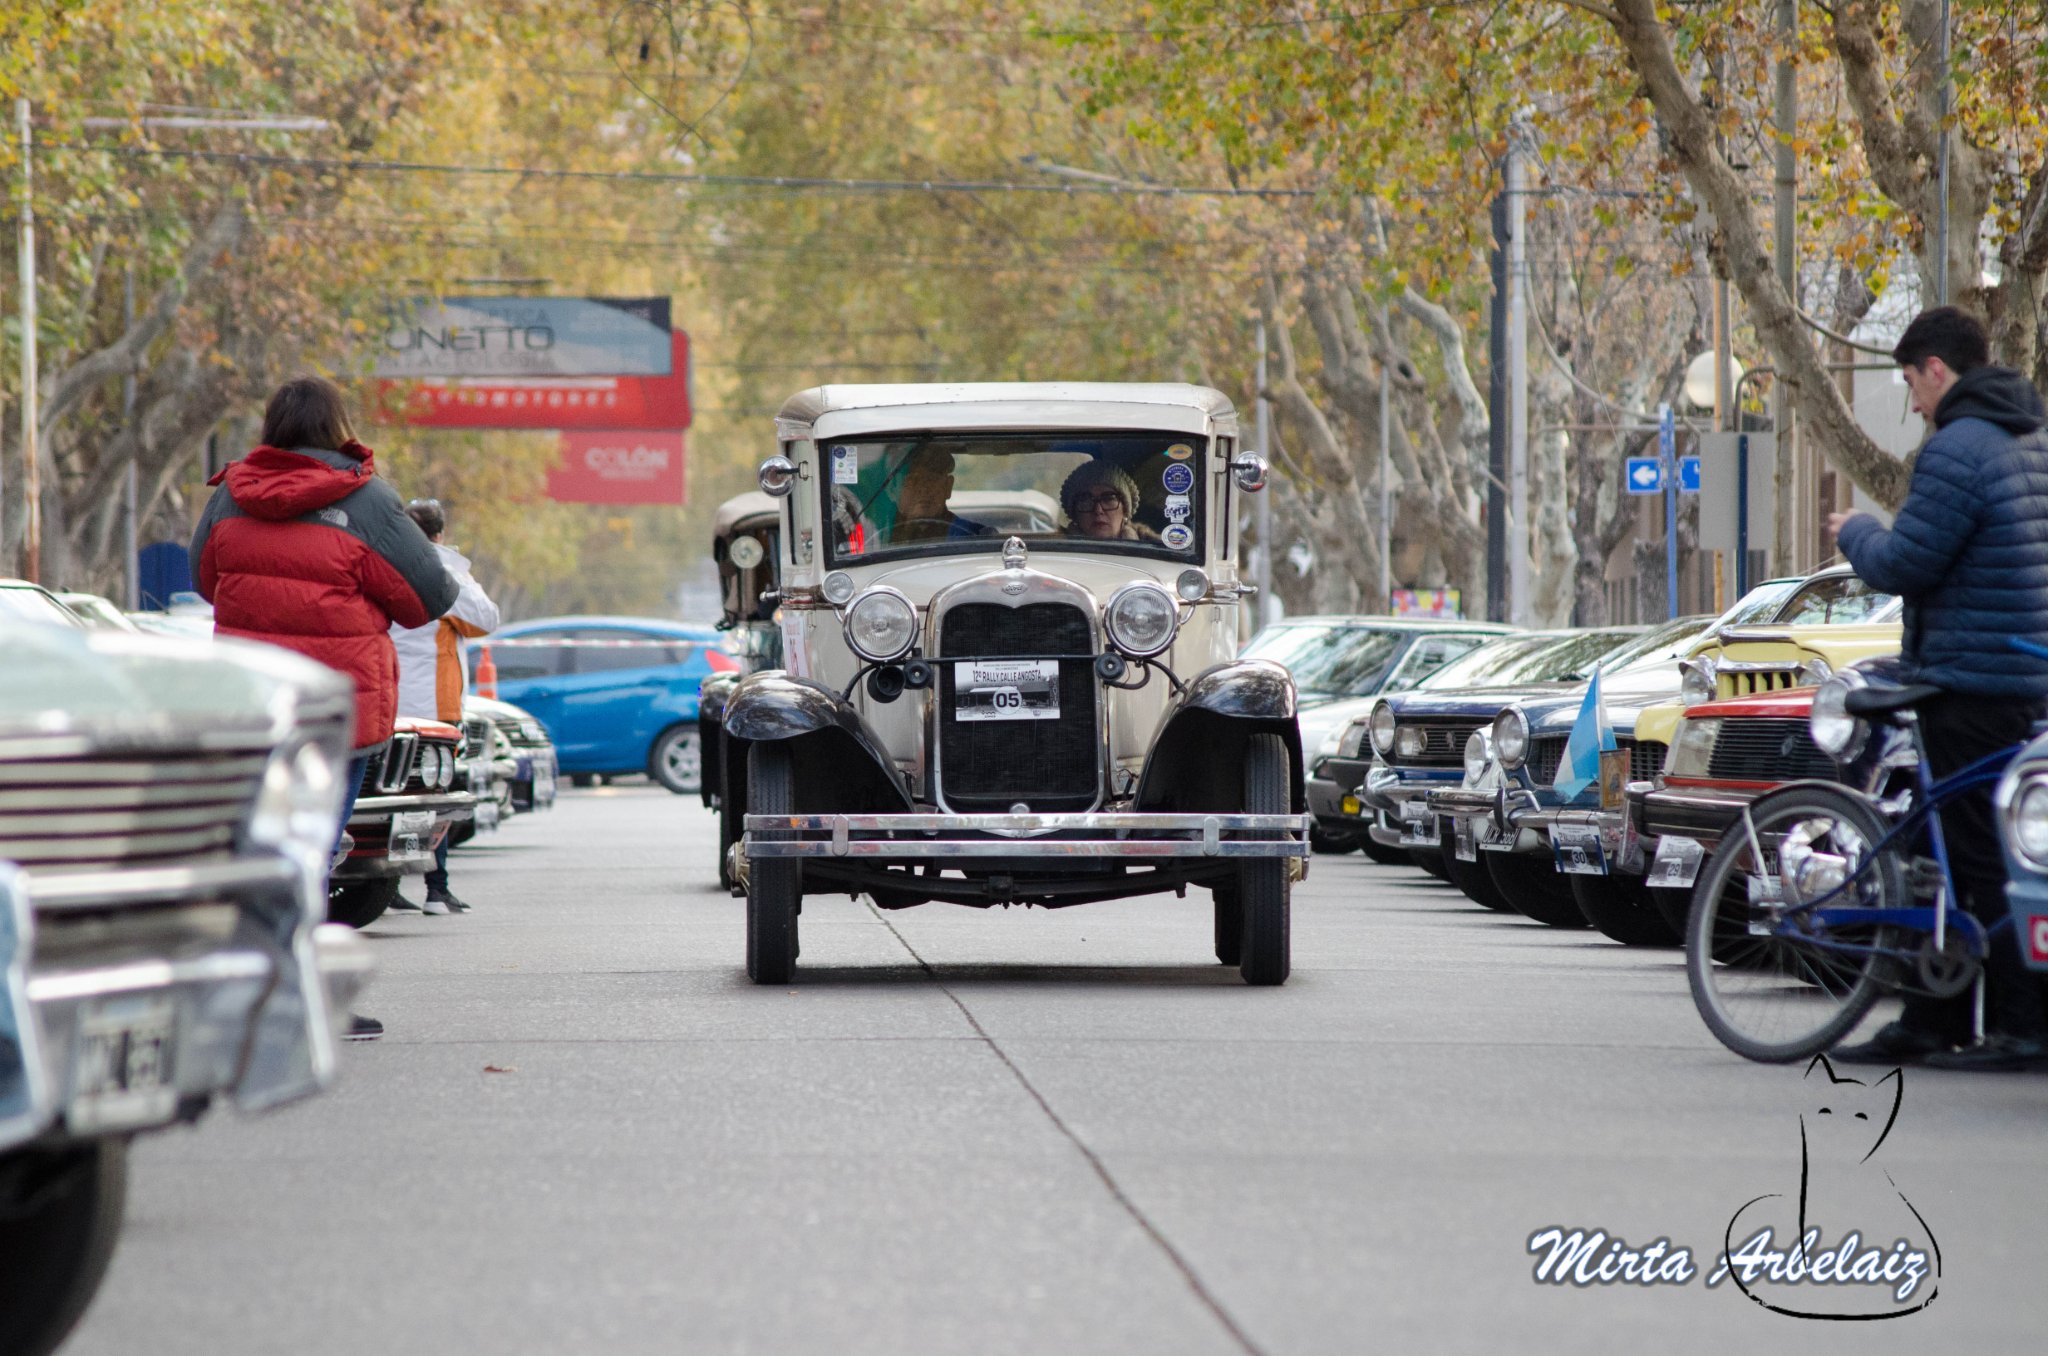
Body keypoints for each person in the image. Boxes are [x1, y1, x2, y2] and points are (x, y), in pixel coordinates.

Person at [191, 376, 457, 1040]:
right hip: (339, 709)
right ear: (337, 426)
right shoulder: (366, 500)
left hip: (253, 704)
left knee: (262, 845)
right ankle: (301, 1001)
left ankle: (250, 993)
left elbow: (206, 579)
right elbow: (429, 595)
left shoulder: (231, 495)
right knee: (312, 847)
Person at [1825, 306, 2048, 1071]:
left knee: (1978, 860)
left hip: (1967, 680)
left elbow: (1905, 564)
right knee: (1949, 848)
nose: (1912, 402)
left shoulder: (1958, 447)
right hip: (2023, 676)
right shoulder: (2032, 436)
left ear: (1937, 371)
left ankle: (2016, 1027)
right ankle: (1930, 1015)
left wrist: (1854, 531)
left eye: (1911, 383)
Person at [388, 498, 500, 915]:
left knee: (392, 793)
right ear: (439, 533)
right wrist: (456, 571)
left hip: (389, 701)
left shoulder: (383, 564)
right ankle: (437, 888)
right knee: (435, 795)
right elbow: (486, 618)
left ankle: (390, 886)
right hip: (436, 708)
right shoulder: (442, 574)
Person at [888, 446, 991, 542]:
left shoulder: (976, 537)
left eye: (932, 480)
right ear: (892, 490)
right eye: (912, 481)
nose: (924, 489)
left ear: (948, 486)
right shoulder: (877, 540)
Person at [1059, 461, 1153, 541]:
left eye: (1109, 498)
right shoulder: (1053, 554)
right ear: (1074, 514)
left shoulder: (1156, 554)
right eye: (1086, 500)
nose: (1098, 510)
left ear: (1125, 510)